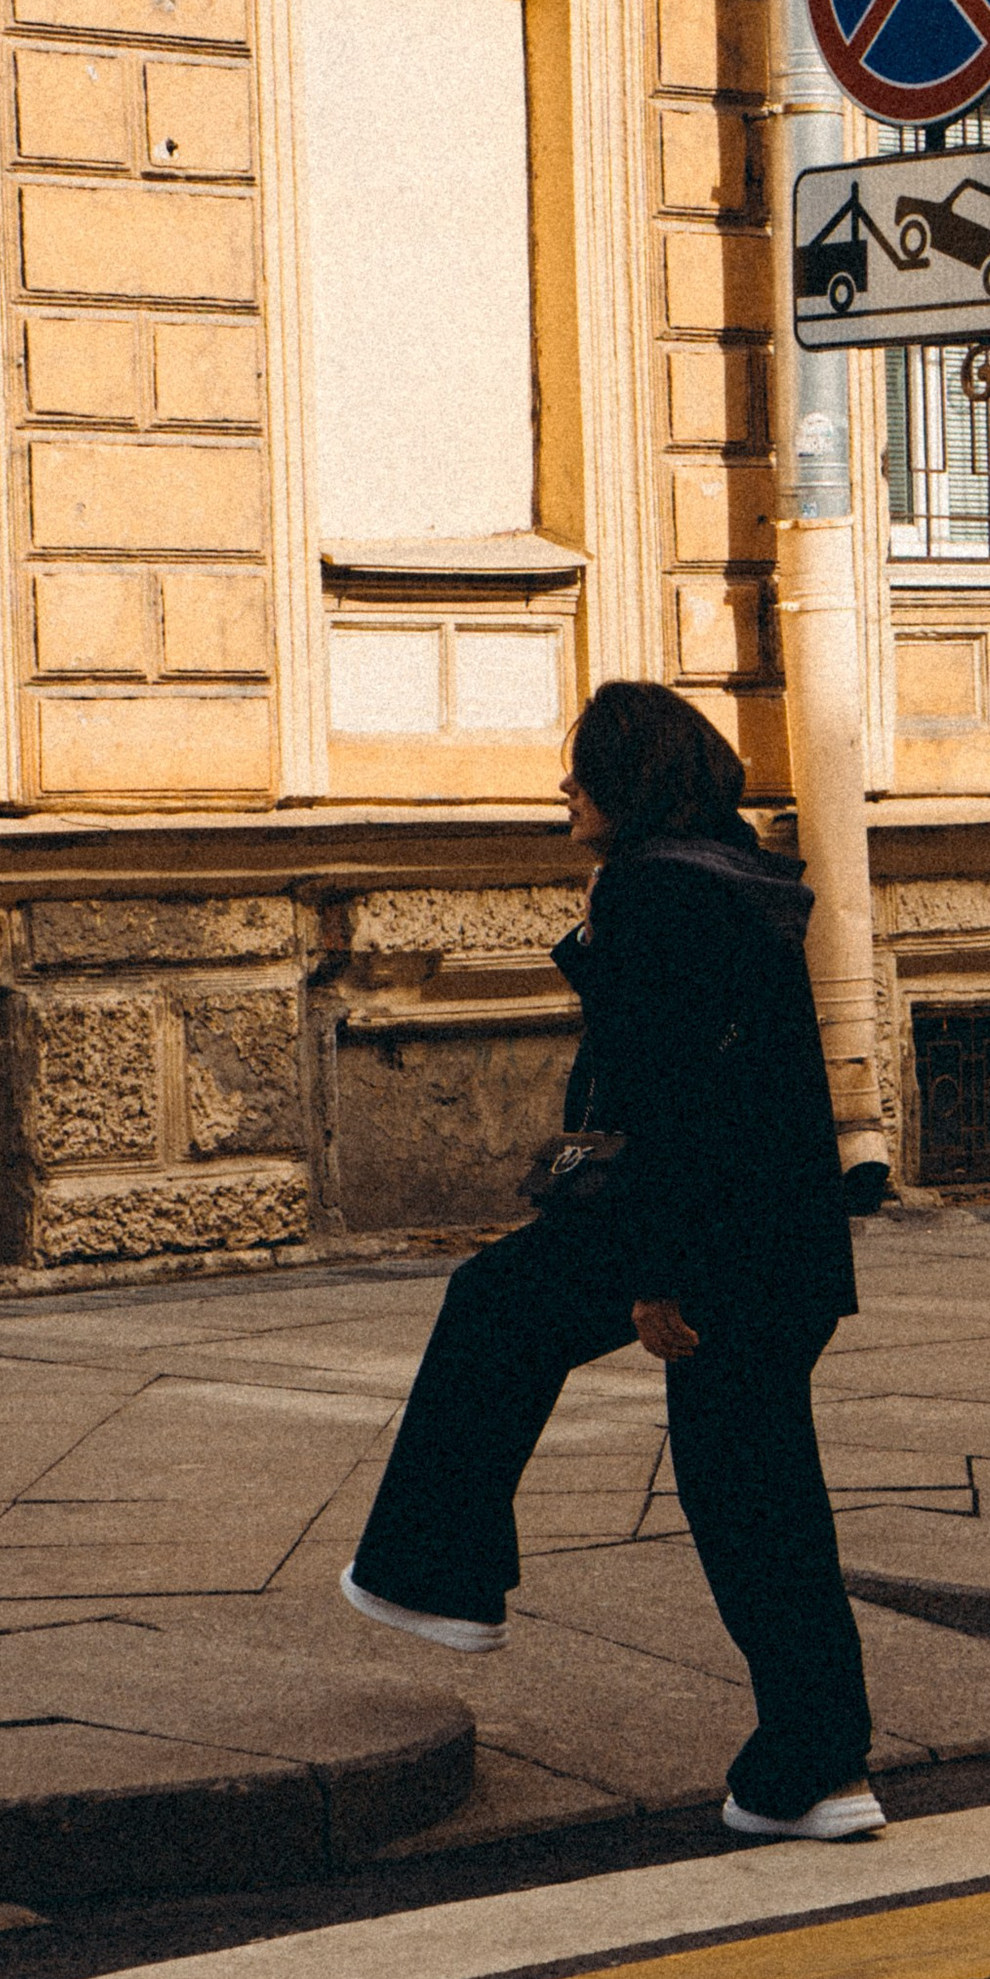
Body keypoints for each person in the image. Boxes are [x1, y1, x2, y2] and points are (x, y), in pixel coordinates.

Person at [342, 680, 880, 1843]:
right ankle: (818, 1764)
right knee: (757, 1501)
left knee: (498, 1309)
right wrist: (597, 939)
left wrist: (660, 1273)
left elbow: (668, 1093)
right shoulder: (726, 877)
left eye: (582, 769)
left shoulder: (654, 890)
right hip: (781, 1244)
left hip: (707, 1233)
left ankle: (437, 1572)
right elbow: (702, 1049)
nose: (564, 788)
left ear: (628, 781)